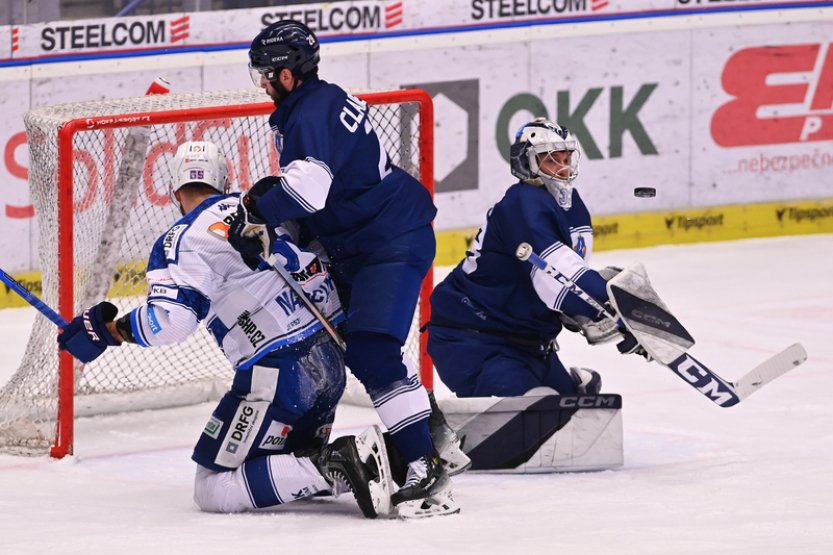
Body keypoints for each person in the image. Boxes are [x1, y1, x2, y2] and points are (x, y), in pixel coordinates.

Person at [56, 141, 394, 519]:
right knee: (282, 463)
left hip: (279, 373)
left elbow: (172, 322)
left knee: (214, 487)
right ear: (225, 179)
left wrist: (110, 331)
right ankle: (365, 462)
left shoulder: (183, 238)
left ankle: (334, 462)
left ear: (174, 190)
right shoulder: (268, 206)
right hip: (331, 361)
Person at [226, 19, 465, 516]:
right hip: (359, 242)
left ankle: (425, 467)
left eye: (266, 74)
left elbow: (308, 191)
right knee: (363, 350)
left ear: (288, 74)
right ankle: (431, 436)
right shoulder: (315, 102)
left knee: (372, 350)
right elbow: (319, 195)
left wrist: (260, 211)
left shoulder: (309, 114)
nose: (264, 83)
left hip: (389, 241)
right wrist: (272, 224)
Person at [427, 118, 647, 398]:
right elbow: (558, 272)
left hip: (528, 343)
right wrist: (611, 308)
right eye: (551, 159)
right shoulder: (522, 204)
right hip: (474, 339)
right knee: (535, 415)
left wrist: (597, 305)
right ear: (525, 162)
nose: (563, 166)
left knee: (573, 408)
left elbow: (568, 276)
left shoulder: (571, 203)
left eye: (566, 157)